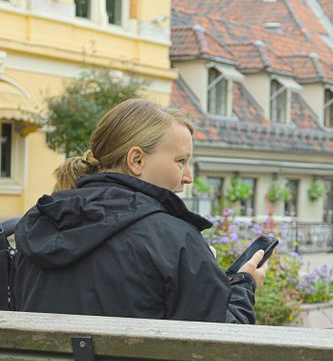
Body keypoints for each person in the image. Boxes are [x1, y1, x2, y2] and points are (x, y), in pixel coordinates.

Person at [13, 99, 266, 324]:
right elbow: (220, 345)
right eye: (180, 161)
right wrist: (244, 285)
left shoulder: (37, 225)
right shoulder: (175, 241)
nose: (188, 177)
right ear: (136, 160)